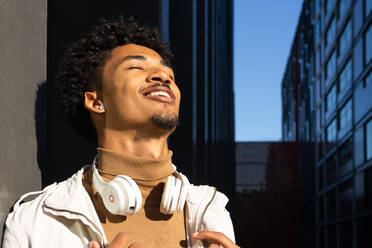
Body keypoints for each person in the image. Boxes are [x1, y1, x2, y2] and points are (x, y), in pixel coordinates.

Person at [2, 17, 239, 248]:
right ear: (96, 102)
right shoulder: (38, 219)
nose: (163, 76)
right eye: (136, 66)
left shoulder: (211, 210)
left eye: (170, 75)